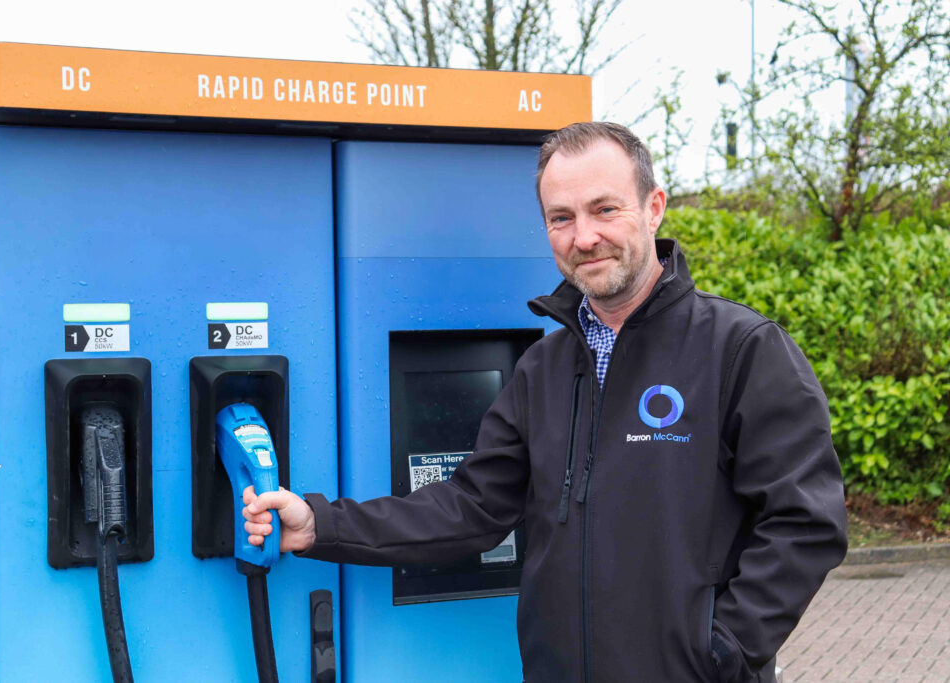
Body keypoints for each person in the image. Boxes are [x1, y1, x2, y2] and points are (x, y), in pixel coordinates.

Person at [241, 122, 848, 683]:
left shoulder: (740, 348)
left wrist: (723, 651)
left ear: (654, 207)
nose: (585, 237)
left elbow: (807, 521)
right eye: (561, 218)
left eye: (604, 209)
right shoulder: (544, 369)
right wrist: (321, 524)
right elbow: (470, 509)